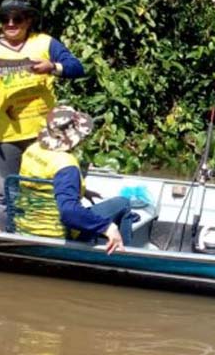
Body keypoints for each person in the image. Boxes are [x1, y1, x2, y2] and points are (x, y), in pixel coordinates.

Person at [0, 0, 84, 216]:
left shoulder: (45, 43)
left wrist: (53, 66)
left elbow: (76, 67)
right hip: (7, 136)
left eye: (17, 18)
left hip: (47, 133)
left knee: (48, 188)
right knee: (7, 193)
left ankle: (46, 231)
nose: (10, 24)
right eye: (5, 18)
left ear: (28, 20)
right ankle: (7, 238)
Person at [14, 104, 136, 253]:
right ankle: (125, 257)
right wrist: (108, 227)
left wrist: (83, 191)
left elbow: (41, 183)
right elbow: (69, 213)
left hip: (26, 227)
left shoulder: (32, 150)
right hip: (56, 233)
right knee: (123, 204)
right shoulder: (65, 164)